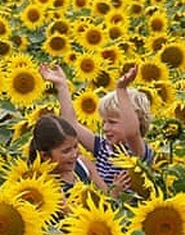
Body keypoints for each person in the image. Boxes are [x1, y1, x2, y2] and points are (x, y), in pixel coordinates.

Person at [38, 63, 154, 191]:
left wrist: (121, 90)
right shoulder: (103, 147)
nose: (105, 128)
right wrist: (62, 86)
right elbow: (71, 125)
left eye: (112, 122)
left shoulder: (137, 151)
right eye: (104, 122)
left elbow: (131, 133)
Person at [28, 114, 106, 194]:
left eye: (75, 146)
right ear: (45, 156)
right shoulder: (47, 185)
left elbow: (107, 194)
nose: (74, 154)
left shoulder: (83, 165)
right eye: (66, 151)